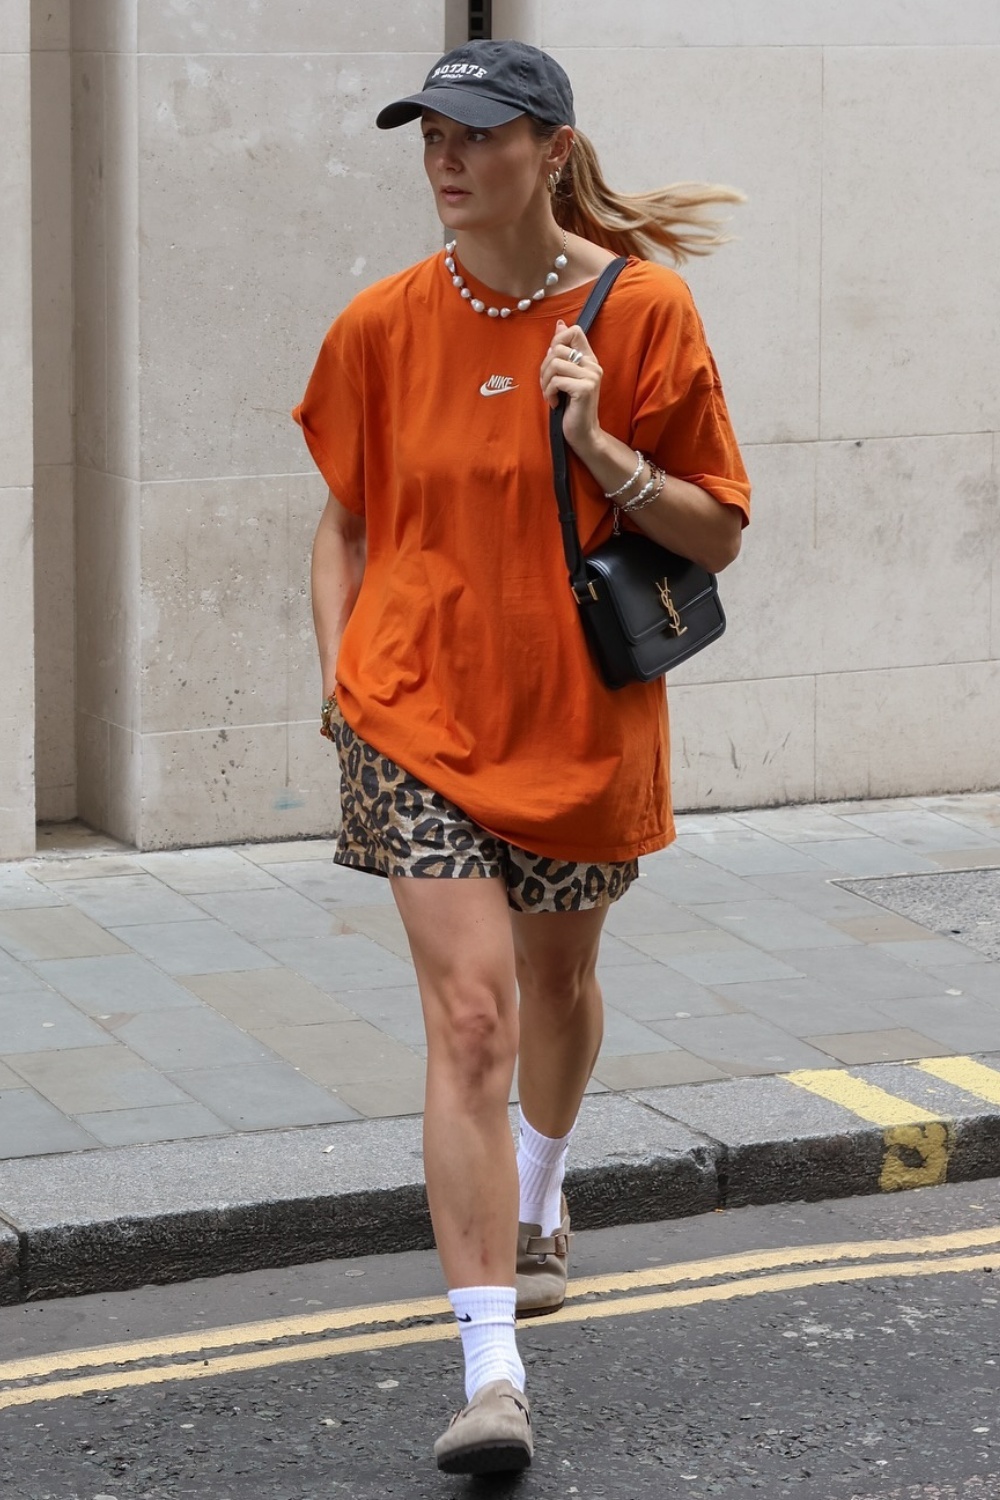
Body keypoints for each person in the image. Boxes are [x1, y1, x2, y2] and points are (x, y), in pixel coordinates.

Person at [294, 37, 750, 1476]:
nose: (445, 156)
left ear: (552, 150)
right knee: (473, 1023)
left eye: (478, 134)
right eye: (429, 132)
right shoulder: (378, 324)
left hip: (577, 724)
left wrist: (599, 446)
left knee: (557, 983)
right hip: (413, 717)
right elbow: (345, 520)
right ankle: (491, 1372)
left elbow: (720, 528)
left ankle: (543, 1191)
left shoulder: (644, 311)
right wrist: (340, 673)